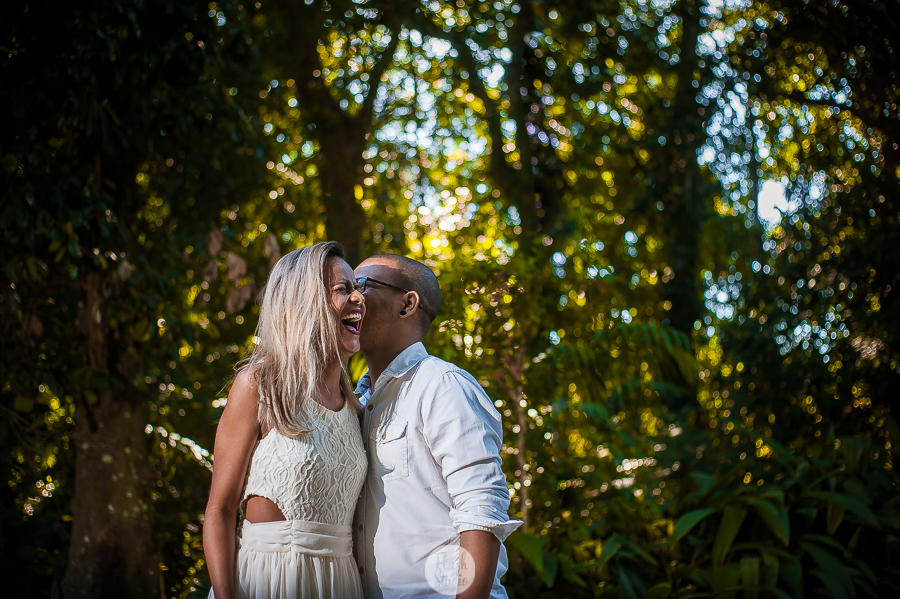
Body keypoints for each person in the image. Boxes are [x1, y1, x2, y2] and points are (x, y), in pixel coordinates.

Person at [203, 241, 368, 599]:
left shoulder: (356, 410)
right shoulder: (259, 386)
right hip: (269, 580)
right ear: (305, 301)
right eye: (344, 288)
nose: (359, 298)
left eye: (358, 288)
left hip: (340, 584)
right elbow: (220, 509)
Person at [353, 254, 522, 599]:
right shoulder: (354, 399)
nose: (351, 297)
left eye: (362, 285)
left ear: (407, 304)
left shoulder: (442, 385)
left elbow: (481, 511)